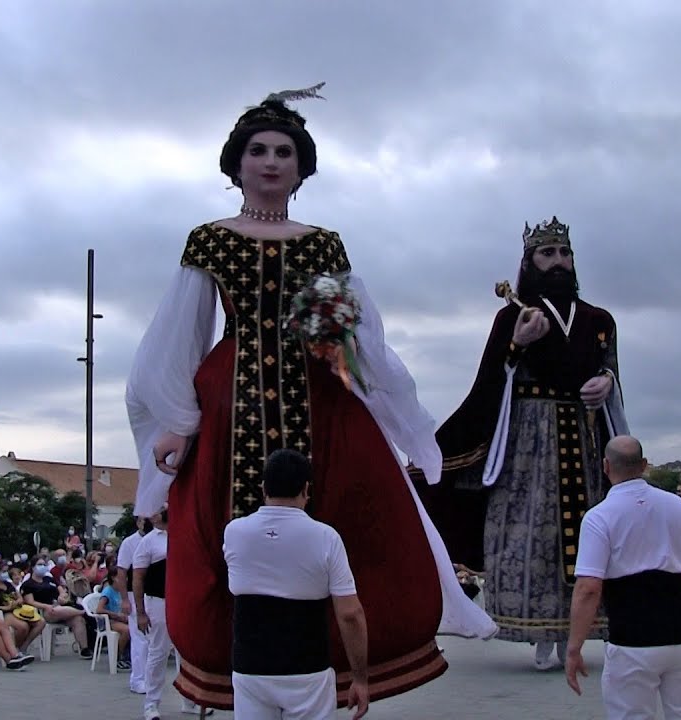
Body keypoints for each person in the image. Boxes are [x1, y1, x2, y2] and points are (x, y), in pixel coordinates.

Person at [125, 85, 495, 710]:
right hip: (231, 395)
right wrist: (178, 422)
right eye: (259, 150)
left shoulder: (324, 243)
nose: (271, 162)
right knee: (221, 530)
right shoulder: (209, 240)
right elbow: (180, 335)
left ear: (302, 169)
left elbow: (362, 333)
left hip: (318, 395)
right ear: (236, 163)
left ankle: (330, 662)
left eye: (285, 153)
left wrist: (362, 372)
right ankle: (239, 668)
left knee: (349, 520)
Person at [414, 215, 627, 669]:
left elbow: (610, 368)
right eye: (546, 253)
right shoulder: (512, 314)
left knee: (590, 528)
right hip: (530, 440)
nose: (557, 261)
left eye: (564, 253)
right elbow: (490, 379)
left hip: (583, 433)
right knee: (531, 528)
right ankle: (541, 635)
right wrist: (516, 344)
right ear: (529, 261)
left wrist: (606, 382)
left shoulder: (598, 318)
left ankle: (591, 625)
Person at [565, 437, 681, 718]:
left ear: (605, 465)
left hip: (631, 636)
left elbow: (588, 588)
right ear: (645, 465)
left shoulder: (599, 517)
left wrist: (574, 646)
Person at [225, 449, 369, 720]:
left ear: (263, 487)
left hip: (250, 669)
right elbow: (350, 614)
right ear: (306, 489)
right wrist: (360, 678)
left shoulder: (234, 532)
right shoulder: (326, 538)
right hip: (307, 671)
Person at [133, 507, 172, 720]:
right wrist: (140, 612)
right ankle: (151, 703)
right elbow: (138, 577)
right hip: (158, 601)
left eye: (158, 511)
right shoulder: (149, 541)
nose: (152, 515)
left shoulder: (184, 534)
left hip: (182, 600)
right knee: (159, 651)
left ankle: (191, 699)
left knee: (187, 652)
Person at [117, 517, 150, 694]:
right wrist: (124, 599)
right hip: (133, 593)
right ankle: (137, 679)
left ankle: (150, 677)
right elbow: (121, 571)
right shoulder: (129, 543)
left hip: (154, 594)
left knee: (153, 640)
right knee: (139, 638)